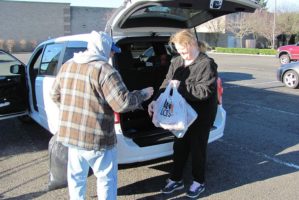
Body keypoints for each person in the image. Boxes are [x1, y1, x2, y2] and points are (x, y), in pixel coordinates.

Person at [50, 30, 154, 200]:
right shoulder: (105, 70)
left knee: (76, 178)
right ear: (103, 48)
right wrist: (143, 94)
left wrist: (72, 111)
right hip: (97, 139)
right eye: (112, 50)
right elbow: (122, 103)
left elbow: (55, 95)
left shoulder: (68, 65)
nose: (113, 53)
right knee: (106, 179)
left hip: (71, 138)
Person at [148, 29, 218, 198]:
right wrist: (156, 100)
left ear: (193, 44)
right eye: (179, 51)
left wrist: (180, 87)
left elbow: (204, 92)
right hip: (180, 114)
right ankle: (176, 178)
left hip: (200, 115)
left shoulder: (206, 64)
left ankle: (198, 181)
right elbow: (167, 82)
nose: (182, 54)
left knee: (197, 148)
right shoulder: (177, 61)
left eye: (184, 51)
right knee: (179, 146)